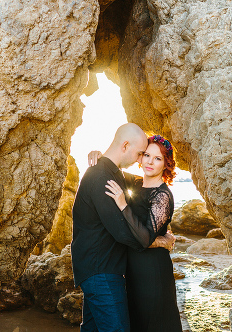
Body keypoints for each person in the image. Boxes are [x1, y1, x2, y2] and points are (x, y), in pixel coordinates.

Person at [71, 123, 174, 332]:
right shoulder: (103, 177)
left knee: (91, 329)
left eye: (155, 157)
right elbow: (125, 234)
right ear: (125, 145)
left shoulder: (112, 173)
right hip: (102, 272)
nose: (140, 160)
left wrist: (99, 155)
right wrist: (160, 241)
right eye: (141, 154)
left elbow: (146, 185)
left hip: (101, 269)